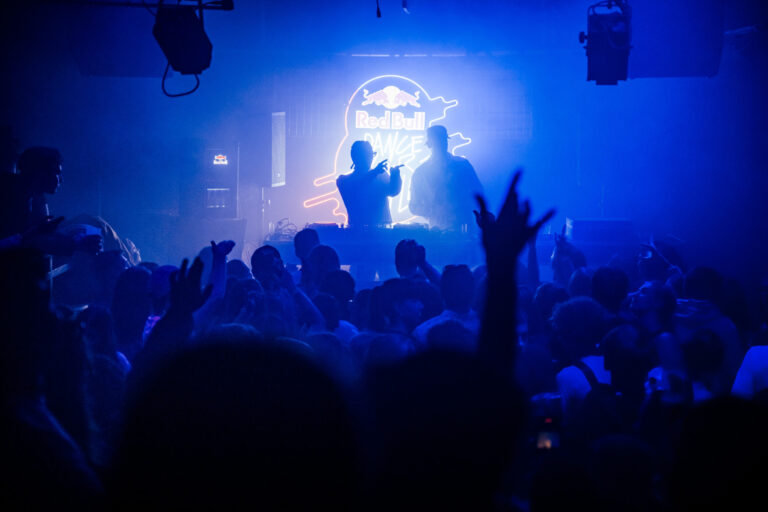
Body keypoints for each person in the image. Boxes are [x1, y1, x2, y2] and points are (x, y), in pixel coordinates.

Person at [409, 125, 483, 230]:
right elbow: (414, 206)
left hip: (464, 227)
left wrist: (469, 208)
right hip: (438, 230)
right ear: (429, 144)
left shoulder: (463, 165)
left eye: (443, 139)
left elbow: (478, 191)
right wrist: (435, 210)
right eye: (438, 140)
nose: (441, 144)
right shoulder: (421, 172)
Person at [336, 140, 402, 227]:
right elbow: (357, 187)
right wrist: (374, 172)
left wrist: (395, 176)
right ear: (355, 157)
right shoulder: (344, 180)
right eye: (367, 154)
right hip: (358, 230)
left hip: (383, 229)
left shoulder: (380, 174)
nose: (371, 158)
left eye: (372, 154)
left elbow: (393, 191)